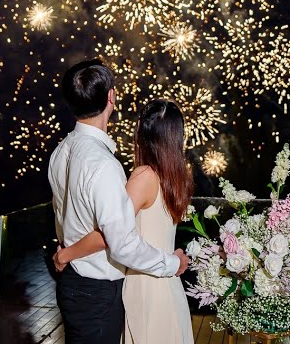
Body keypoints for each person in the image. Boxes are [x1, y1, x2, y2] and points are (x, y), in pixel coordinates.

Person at [48, 61, 190, 344]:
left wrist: (66, 254)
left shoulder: (60, 151)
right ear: (111, 97)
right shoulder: (104, 165)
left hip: (74, 282)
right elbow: (120, 241)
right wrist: (171, 264)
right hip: (99, 290)